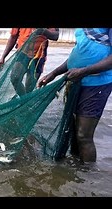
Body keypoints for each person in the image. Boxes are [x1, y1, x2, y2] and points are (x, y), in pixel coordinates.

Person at [37, 28, 112, 163]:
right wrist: (54, 73)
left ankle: (88, 177)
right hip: (76, 82)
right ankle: (76, 171)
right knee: (73, 131)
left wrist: (85, 70)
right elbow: (78, 52)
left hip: (97, 84)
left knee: (84, 135)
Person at [0, 28, 59, 96]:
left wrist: (43, 31)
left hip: (39, 56)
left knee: (29, 87)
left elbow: (55, 36)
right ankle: (23, 100)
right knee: (15, 78)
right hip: (22, 53)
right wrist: (3, 57)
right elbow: (13, 37)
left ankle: (25, 100)